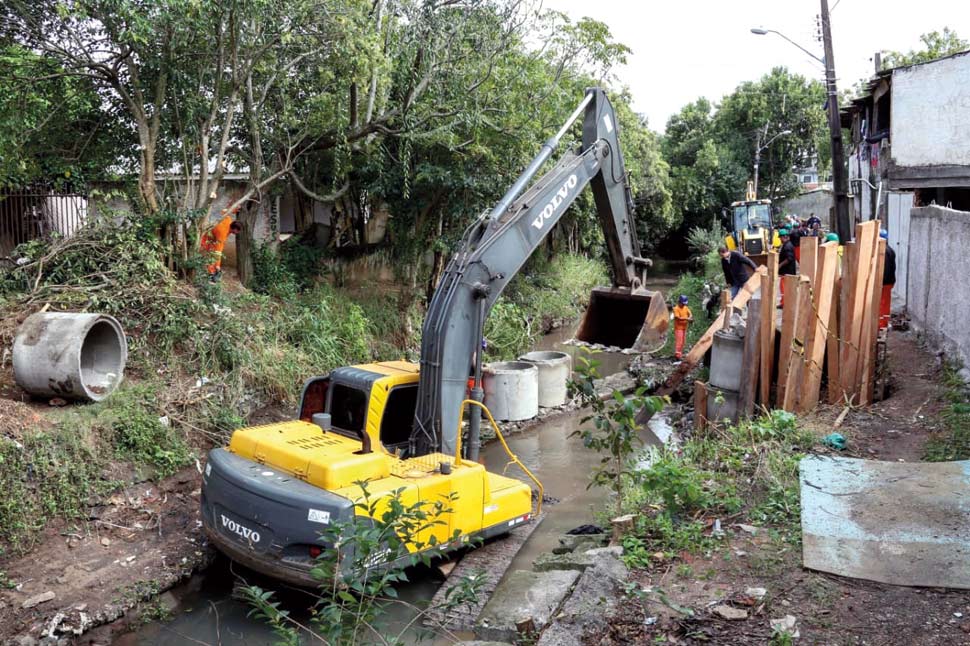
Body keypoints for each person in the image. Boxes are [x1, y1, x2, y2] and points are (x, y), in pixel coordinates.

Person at [200, 211, 242, 281]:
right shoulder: (222, 234)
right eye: (238, 231)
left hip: (212, 238)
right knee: (212, 256)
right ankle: (211, 274)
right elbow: (218, 252)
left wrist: (234, 210)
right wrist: (218, 266)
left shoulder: (228, 220)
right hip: (206, 239)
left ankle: (211, 272)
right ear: (234, 229)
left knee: (213, 255)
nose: (238, 233)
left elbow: (224, 211)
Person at [880, 229, 895, 330]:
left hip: (883, 282)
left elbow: (884, 269)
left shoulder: (882, 251)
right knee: (886, 302)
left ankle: (880, 324)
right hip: (890, 281)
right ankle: (885, 322)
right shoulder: (890, 250)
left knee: (881, 302)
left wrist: (880, 282)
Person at [777, 229, 797, 307]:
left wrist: (780, 265)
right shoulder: (787, 245)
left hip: (787, 272)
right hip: (787, 272)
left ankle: (784, 304)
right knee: (785, 288)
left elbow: (789, 258)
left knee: (784, 288)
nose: (780, 239)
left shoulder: (787, 246)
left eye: (780, 238)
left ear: (784, 237)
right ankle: (785, 302)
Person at [672, 295, 693, 361]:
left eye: (684, 304)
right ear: (679, 302)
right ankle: (677, 356)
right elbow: (677, 318)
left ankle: (680, 354)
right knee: (679, 342)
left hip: (684, 327)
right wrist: (687, 319)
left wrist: (690, 316)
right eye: (683, 304)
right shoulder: (676, 308)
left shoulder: (685, 307)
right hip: (678, 328)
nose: (683, 305)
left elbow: (690, 313)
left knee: (683, 341)